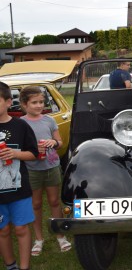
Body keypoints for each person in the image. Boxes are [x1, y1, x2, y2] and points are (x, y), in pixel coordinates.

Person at [19, 86, 72, 256]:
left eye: (41, 102)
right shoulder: (21, 123)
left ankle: (60, 236)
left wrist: (53, 143)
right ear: (24, 104)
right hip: (31, 169)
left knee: (55, 201)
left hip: (51, 166)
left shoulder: (49, 120)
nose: (39, 105)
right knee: (36, 204)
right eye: (34, 102)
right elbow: (19, 147)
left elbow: (60, 142)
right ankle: (38, 239)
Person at [0, 81, 38, 270]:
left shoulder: (20, 126)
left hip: (19, 190)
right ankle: (10, 265)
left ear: (8, 102)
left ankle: (24, 267)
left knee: (21, 228)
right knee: (3, 230)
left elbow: (33, 153)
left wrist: (15, 154)